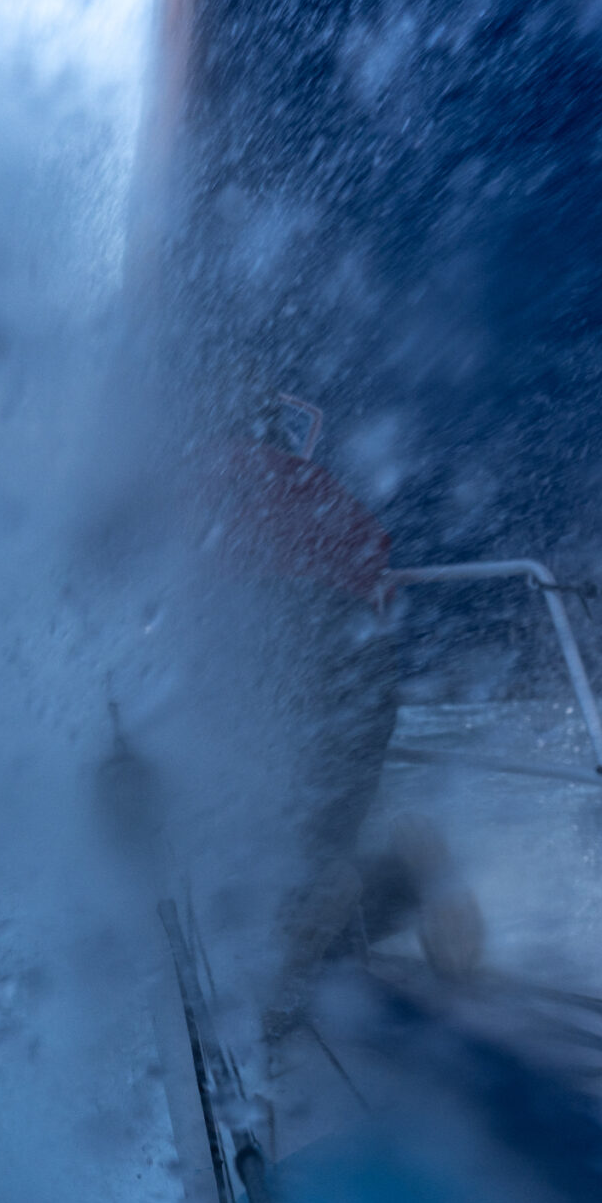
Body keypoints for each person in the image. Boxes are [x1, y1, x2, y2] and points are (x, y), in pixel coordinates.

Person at [189, 392, 483, 1044]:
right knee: (323, 840)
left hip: (273, 651)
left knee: (257, 840)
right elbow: (375, 563)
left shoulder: (201, 478)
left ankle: (272, 1005)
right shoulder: (317, 484)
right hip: (362, 661)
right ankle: (411, 868)